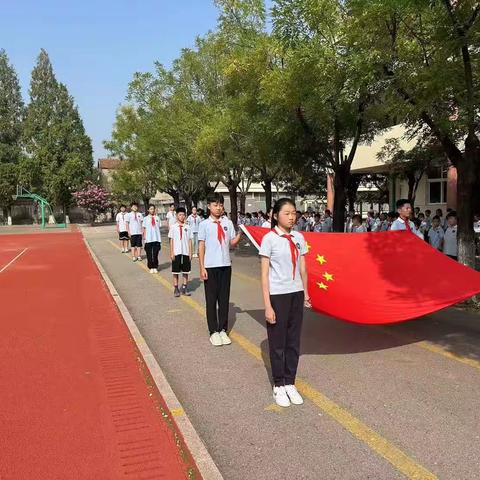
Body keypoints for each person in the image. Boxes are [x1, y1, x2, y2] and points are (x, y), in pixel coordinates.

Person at [259, 198, 310, 408]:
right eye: (287, 213)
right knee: (278, 342)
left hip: (296, 294)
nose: (292, 217)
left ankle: (290, 381)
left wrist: (306, 293)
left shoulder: (299, 237)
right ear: (275, 215)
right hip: (278, 296)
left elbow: (303, 268)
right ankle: (278, 384)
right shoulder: (269, 239)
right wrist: (268, 305)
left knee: (293, 342)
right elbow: (263, 276)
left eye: (294, 213)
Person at [198, 193, 242, 347]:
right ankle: (213, 332)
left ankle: (223, 329)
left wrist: (241, 234)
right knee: (211, 300)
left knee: (224, 300)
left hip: (225, 266)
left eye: (221, 205)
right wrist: (202, 267)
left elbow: (232, 243)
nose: (219, 208)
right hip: (210, 267)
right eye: (215, 205)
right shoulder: (204, 224)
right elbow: (201, 246)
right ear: (209, 206)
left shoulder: (227, 223)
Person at [169, 207, 192, 297]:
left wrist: (190, 252)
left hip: (185, 252)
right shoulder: (173, 227)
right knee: (176, 271)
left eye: (183, 215)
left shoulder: (188, 227)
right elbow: (171, 240)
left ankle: (185, 287)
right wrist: (171, 252)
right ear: (176, 216)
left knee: (186, 271)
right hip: (176, 251)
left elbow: (190, 240)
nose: (182, 216)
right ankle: (176, 288)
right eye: (180, 215)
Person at [142, 204, 161, 273]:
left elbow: (158, 227)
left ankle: (155, 266)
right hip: (148, 239)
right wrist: (144, 237)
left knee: (155, 253)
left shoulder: (157, 218)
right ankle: (150, 266)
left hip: (156, 238)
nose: (152, 210)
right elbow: (144, 228)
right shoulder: (145, 218)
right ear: (148, 210)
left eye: (153, 209)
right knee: (149, 254)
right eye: (150, 209)